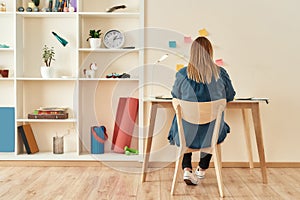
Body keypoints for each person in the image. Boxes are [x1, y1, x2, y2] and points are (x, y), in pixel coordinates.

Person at [168, 36, 236, 185]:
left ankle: (187, 169)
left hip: (186, 133)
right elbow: (230, 95)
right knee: (214, 128)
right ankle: (202, 168)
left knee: (181, 123)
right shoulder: (220, 73)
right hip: (211, 132)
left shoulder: (182, 74)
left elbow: (174, 96)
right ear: (210, 52)